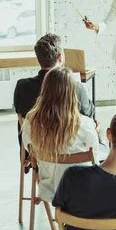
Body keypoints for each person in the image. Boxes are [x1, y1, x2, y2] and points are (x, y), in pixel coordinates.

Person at [22, 67, 99, 204]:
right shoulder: (86, 125)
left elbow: (29, 149)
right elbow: (95, 157)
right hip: (82, 190)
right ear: (72, 93)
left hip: (50, 189)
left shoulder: (30, 123)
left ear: (44, 90)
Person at [14, 33, 95, 141]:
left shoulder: (22, 87)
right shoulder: (76, 88)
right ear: (60, 57)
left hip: (35, 152)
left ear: (38, 59)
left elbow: (21, 116)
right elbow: (89, 115)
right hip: (71, 152)